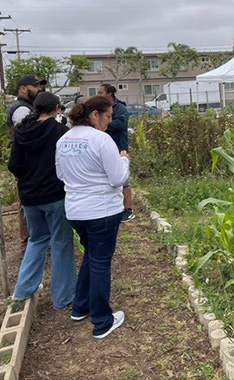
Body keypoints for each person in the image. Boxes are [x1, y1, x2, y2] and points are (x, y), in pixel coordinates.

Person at [55, 95, 129, 339]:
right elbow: (117, 178)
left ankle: (80, 306)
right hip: (102, 211)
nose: (109, 121)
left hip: (76, 210)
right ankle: (101, 321)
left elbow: (60, 174)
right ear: (94, 115)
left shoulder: (64, 139)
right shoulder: (101, 140)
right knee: (100, 262)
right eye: (107, 116)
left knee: (91, 256)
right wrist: (124, 161)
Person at [8, 92, 77, 310]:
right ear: (57, 108)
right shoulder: (59, 132)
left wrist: (28, 178)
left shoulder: (21, 131)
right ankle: (63, 297)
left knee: (37, 240)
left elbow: (13, 165)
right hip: (55, 196)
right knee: (61, 243)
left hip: (29, 197)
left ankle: (23, 290)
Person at [7, 74, 47, 255]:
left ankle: (35, 239)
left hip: (29, 162)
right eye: (35, 86)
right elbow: (26, 137)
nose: (39, 89)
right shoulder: (21, 110)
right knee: (28, 202)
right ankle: (29, 241)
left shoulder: (28, 107)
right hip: (26, 163)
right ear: (23, 89)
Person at [97, 84, 134, 223]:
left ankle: (128, 210)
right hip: (104, 148)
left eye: (101, 92)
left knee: (123, 180)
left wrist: (102, 125)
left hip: (119, 149)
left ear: (109, 94)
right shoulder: (99, 109)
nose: (98, 94)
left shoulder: (121, 108)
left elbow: (119, 125)